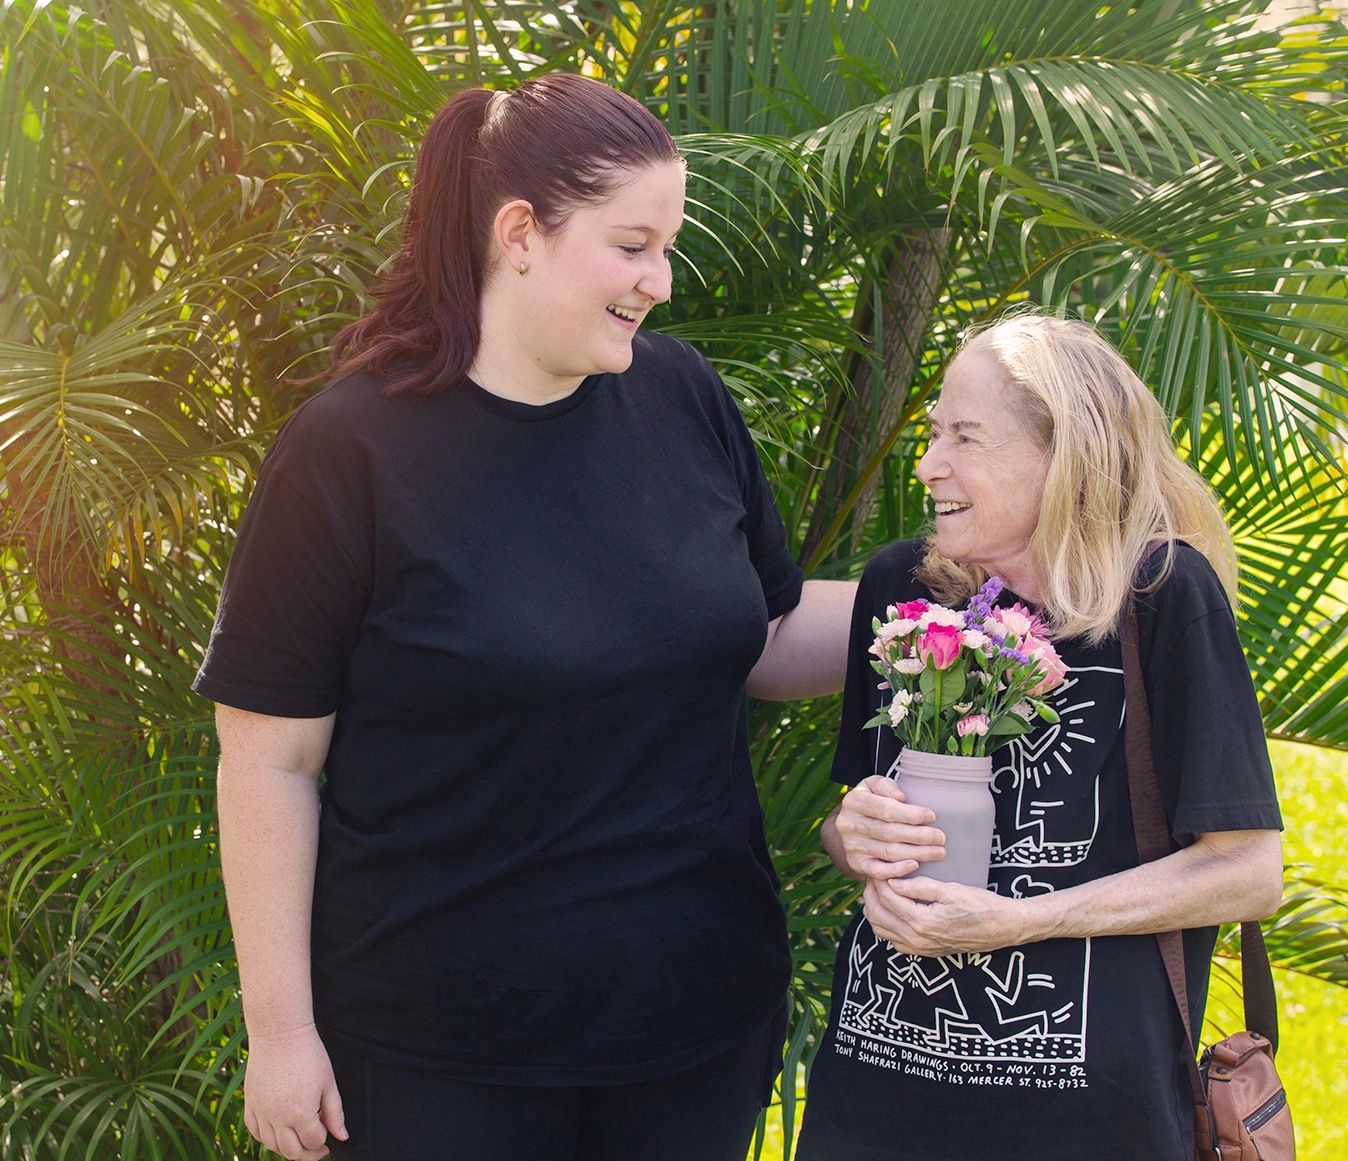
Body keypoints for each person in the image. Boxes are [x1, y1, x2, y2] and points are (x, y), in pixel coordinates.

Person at [193, 74, 854, 1161]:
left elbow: (768, 635)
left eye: (667, 247)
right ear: (519, 235)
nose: (660, 281)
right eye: (633, 245)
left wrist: (957, 600)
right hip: (439, 1058)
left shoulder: (680, 395)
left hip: (697, 1028)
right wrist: (281, 1033)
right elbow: (271, 761)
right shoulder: (348, 451)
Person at [794, 310, 1284, 1161]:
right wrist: (854, 831)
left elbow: (1247, 869)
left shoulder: (1163, 595)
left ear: (1066, 455)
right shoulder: (903, 588)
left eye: (965, 437)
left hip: (1087, 1127)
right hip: (872, 1108)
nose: (928, 463)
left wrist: (1019, 921)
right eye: (933, 432)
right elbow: (851, 827)